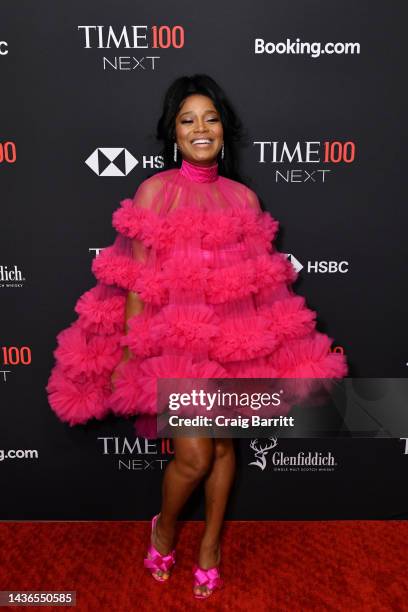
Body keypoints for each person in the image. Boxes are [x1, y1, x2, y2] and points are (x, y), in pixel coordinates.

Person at [46, 74, 348, 599]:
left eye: (210, 119)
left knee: (225, 452)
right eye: (188, 120)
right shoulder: (155, 191)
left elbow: (261, 282)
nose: (200, 128)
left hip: (232, 342)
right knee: (194, 457)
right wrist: (133, 350)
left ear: (223, 132)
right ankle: (164, 527)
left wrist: (272, 346)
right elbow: (136, 279)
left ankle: (209, 546)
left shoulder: (244, 201)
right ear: (175, 134)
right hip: (175, 344)